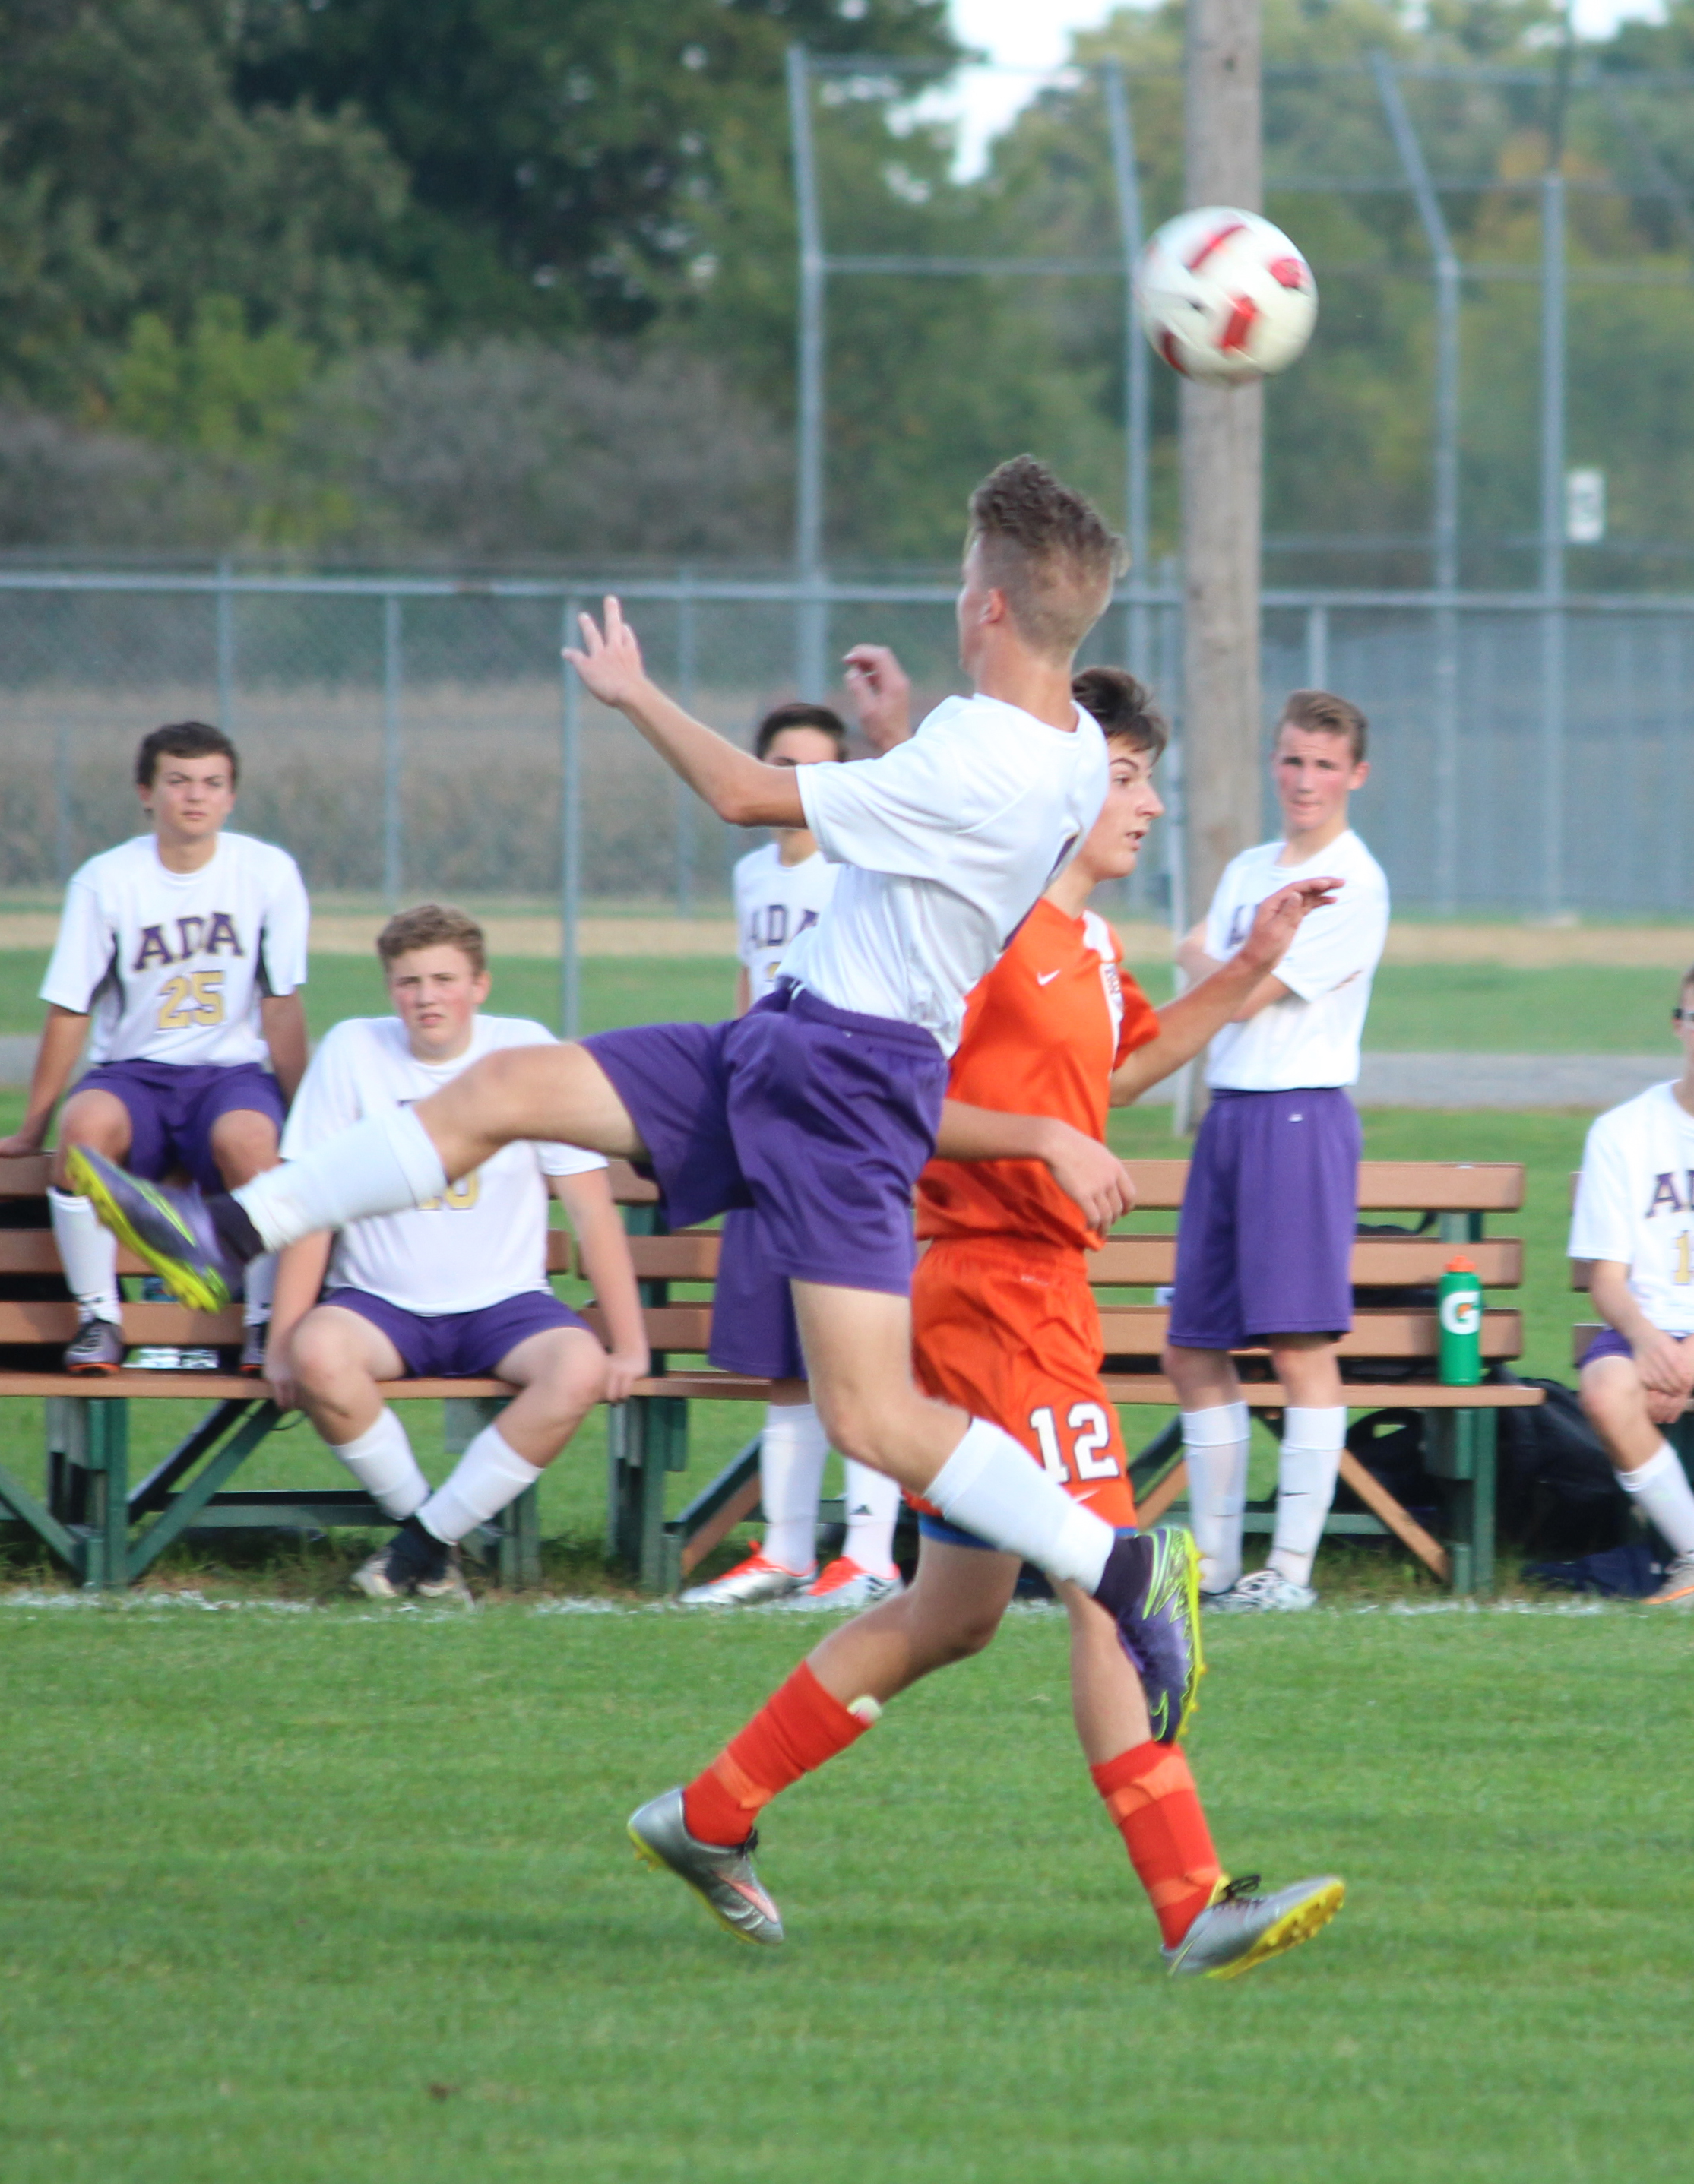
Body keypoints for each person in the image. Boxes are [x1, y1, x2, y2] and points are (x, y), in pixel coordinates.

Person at [73, 458, 1205, 1896]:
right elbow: (953, 754)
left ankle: (1116, 1567)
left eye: (957, 574)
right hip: (777, 1048)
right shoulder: (1033, 745)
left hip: (854, 1091)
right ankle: (229, 1224)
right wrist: (889, 725)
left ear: (979, 601)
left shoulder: (985, 755)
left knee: (870, 1409)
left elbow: (744, 790)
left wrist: (631, 690)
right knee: (493, 1089)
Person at [642, 663, 1343, 1973]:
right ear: (1060, 784)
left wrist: (1250, 964)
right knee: (1106, 1582)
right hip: (988, 1289)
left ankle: (707, 1811)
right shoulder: (990, 926)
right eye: (1121, 776)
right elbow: (896, 1095)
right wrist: (1032, 1140)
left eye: (1144, 775)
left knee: (953, 1613)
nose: (1140, 801)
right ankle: (1192, 1899)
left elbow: (1119, 1071)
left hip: (1033, 1295)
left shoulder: (1083, 943)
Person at [264, 904, 648, 1603]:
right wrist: (281, 1338)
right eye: (408, 981)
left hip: (504, 1306)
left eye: (444, 978)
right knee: (319, 1354)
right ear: (390, 990)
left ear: (480, 985)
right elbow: (308, 1207)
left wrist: (630, 1345)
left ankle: (419, 1547)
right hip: (379, 1306)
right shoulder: (353, 1051)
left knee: (578, 1369)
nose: (426, 996)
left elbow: (591, 1210)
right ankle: (432, 1549)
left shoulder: (524, 1053)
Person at [687, 678, 910, 1612]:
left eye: (817, 768)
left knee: (855, 1349)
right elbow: (749, 991)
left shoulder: (863, 860)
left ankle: (869, 1552)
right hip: (764, 1107)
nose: (796, 782)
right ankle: (782, 1549)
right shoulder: (753, 876)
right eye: (781, 765)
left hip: (842, 1111)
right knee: (782, 1354)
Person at [1164, 688, 1389, 1613]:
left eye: (1325, 765)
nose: (1306, 780)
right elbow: (1217, 970)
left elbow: (1240, 990)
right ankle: (1214, 1566)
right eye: (1293, 761)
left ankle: (1287, 1571)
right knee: (1192, 1345)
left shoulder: (1353, 882)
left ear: (1356, 776)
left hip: (1298, 1115)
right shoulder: (1251, 867)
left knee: (1298, 1345)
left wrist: (1213, 961)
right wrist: (1222, 963)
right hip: (1229, 1116)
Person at [0, 720, 307, 1374]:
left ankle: (260, 1322)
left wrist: (302, 1109)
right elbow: (70, 1008)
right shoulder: (106, 881)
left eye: (211, 783)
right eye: (178, 781)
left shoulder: (267, 873)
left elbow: (280, 1005)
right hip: (134, 1075)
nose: (194, 797)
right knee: (83, 1140)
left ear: (230, 797)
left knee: (253, 1146)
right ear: (146, 792)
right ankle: (100, 1319)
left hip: (228, 1074)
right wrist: (34, 1128)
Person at [1569, 968, 1694, 1606]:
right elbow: (1607, 1282)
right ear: (1678, 1025)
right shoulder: (1623, 1132)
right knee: (1603, 1387)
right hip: (1647, 1329)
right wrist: (1650, 1345)